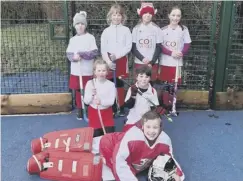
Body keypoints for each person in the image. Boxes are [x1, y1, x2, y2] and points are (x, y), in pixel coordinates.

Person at [92, 110, 184, 181]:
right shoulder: (133, 137)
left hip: (122, 144)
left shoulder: (165, 139)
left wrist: (177, 174)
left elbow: (170, 158)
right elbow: (119, 161)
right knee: (107, 172)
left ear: (160, 128)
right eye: (148, 127)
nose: (151, 131)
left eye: (155, 127)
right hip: (109, 144)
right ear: (143, 126)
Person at [101, 4, 132, 117]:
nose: (116, 17)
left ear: (122, 17)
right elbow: (103, 49)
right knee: (110, 84)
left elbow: (128, 47)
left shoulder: (126, 30)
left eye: (119, 15)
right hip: (109, 61)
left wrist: (117, 55)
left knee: (119, 84)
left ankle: (121, 106)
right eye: (114, 15)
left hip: (121, 60)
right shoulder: (106, 31)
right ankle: (113, 106)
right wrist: (108, 62)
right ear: (110, 16)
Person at [66, 11, 98, 120]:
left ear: (85, 25)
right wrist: (74, 58)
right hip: (76, 71)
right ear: (75, 26)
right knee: (79, 91)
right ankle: (80, 109)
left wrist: (82, 54)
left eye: (82, 24)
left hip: (87, 70)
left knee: (88, 89)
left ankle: (88, 109)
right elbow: (69, 54)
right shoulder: (72, 40)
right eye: (78, 24)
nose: (80, 26)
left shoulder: (90, 38)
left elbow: (94, 52)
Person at [123, 65, 165, 132]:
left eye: (147, 77)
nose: (144, 79)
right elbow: (129, 106)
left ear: (150, 78)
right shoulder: (132, 88)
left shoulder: (153, 91)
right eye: (141, 76)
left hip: (146, 121)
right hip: (132, 120)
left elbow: (153, 108)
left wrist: (157, 112)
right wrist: (133, 95)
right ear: (137, 77)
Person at [159, 6, 192, 84]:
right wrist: (171, 53)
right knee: (164, 85)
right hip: (165, 62)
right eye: (173, 15)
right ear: (169, 15)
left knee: (174, 86)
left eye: (178, 16)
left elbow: (187, 43)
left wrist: (181, 53)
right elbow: (160, 45)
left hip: (177, 62)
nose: (175, 18)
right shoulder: (162, 30)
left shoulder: (184, 29)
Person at [84, 59, 116, 137]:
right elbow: (86, 101)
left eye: (103, 70)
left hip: (107, 113)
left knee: (109, 136)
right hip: (94, 113)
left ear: (107, 72)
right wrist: (92, 94)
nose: (101, 73)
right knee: (95, 136)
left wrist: (101, 101)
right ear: (95, 72)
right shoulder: (90, 83)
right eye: (99, 70)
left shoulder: (111, 85)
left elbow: (111, 101)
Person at [131, 2, 162, 82]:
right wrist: (142, 58)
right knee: (139, 84)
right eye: (145, 12)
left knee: (151, 84)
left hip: (152, 63)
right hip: (139, 62)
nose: (148, 15)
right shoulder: (136, 29)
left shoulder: (157, 29)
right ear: (141, 14)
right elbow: (133, 48)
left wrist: (152, 62)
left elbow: (159, 47)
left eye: (150, 13)